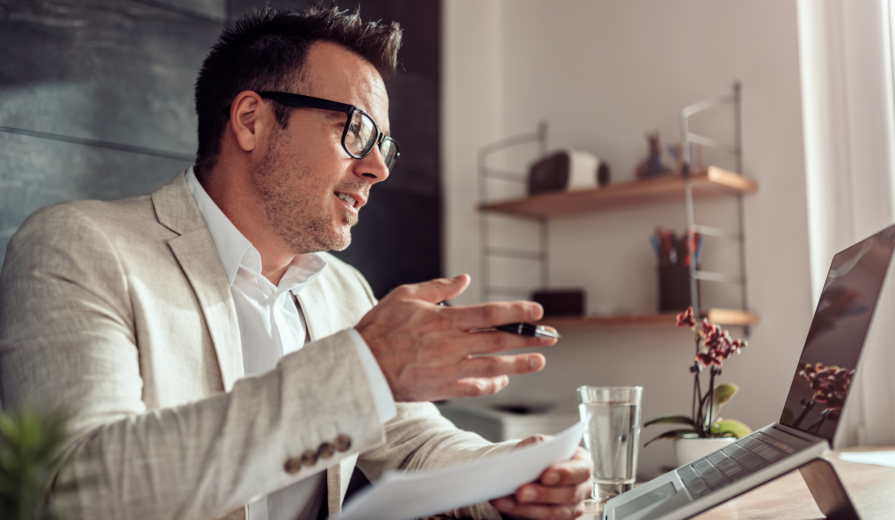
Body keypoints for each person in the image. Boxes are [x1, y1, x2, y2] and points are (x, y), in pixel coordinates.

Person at [0, 5, 592, 520]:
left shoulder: (345, 291)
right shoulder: (78, 248)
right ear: (252, 120)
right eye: (356, 130)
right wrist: (362, 367)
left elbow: (411, 440)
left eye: (384, 145)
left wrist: (510, 475)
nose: (378, 168)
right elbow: (79, 491)